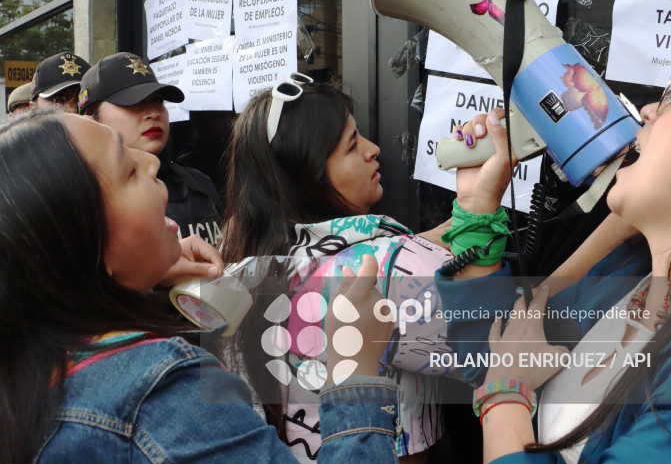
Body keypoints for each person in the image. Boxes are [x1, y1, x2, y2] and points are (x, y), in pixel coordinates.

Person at [435, 41, 671, 463]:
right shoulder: (631, 273)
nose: (647, 111)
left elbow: (502, 378)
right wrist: (477, 208)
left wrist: (506, 394)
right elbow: (498, 354)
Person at [0, 109, 400, 464]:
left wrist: (145, 278)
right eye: (129, 170)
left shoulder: (29, 372)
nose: (152, 163)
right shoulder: (162, 396)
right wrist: (355, 373)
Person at [223, 78, 458, 464]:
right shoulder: (373, 269)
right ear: (310, 173)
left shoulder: (245, 268)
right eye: (352, 144)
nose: (373, 150)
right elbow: (521, 344)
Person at [78, 52, 224, 252]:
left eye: (157, 100)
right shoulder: (78, 197)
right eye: (133, 102)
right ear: (91, 118)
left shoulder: (198, 183)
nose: (153, 113)